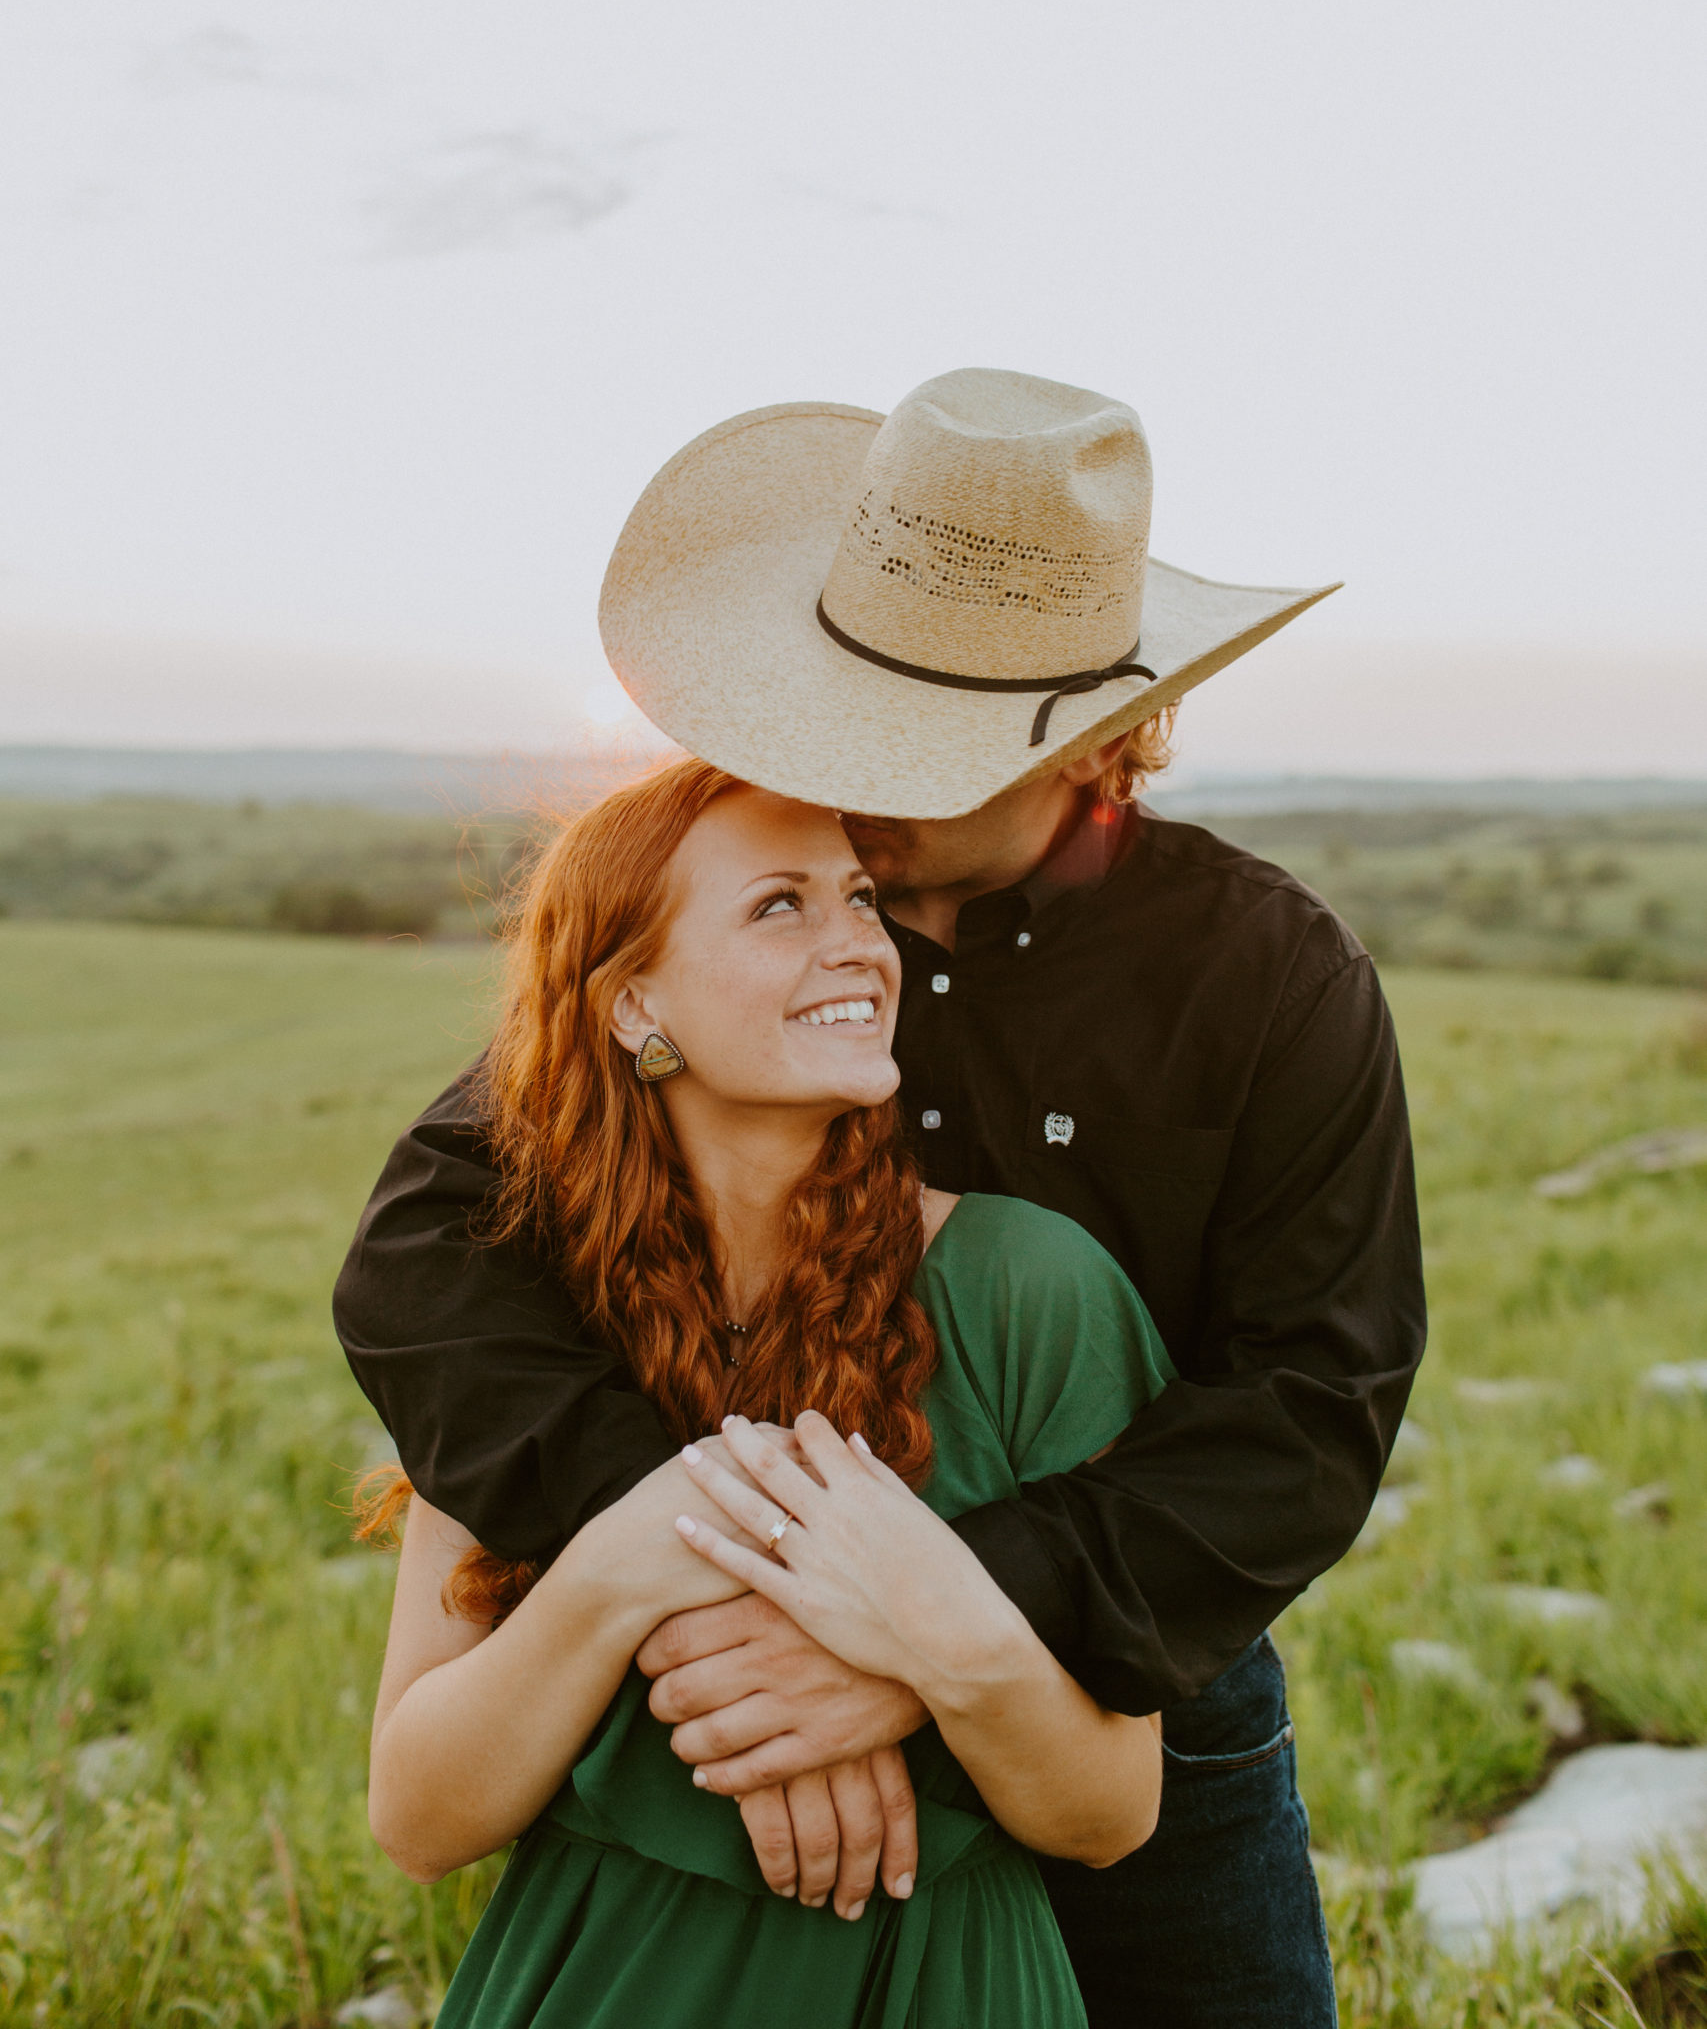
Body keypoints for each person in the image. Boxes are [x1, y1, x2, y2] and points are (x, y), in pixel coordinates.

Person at [337, 368, 1427, 2028]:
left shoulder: (1265, 980)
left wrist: (922, 1630)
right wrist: (725, 1569)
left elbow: (1309, 1405)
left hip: (1122, 1676)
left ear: (1082, 743)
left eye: (914, 748)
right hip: (709, 1686)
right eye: (847, 710)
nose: (850, 785)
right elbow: (434, 1241)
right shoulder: (784, 912)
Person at [362, 759, 1172, 2029]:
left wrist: (923, 1647)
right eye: (780, 907)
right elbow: (417, 1817)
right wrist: (627, 1563)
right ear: (636, 1004)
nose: (859, 945)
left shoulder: (1030, 1289)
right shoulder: (519, 1321)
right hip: (597, 1983)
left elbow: (1116, 1809)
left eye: (859, 898)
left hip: (942, 1990)